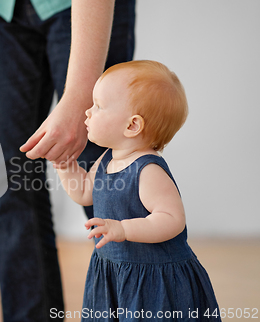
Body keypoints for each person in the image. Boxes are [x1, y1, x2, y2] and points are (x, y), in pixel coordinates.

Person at [0, 0, 135, 320]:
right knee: (7, 181)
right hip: (0, 13)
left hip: (84, 9)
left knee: (110, 178)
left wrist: (77, 99)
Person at [55, 60, 221, 321]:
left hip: (153, 280)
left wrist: (124, 229)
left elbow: (172, 219)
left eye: (98, 106)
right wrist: (65, 166)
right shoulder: (108, 158)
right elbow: (85, 192)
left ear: (132, 126)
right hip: (113, 271)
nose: (87, 112)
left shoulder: (148, 171)